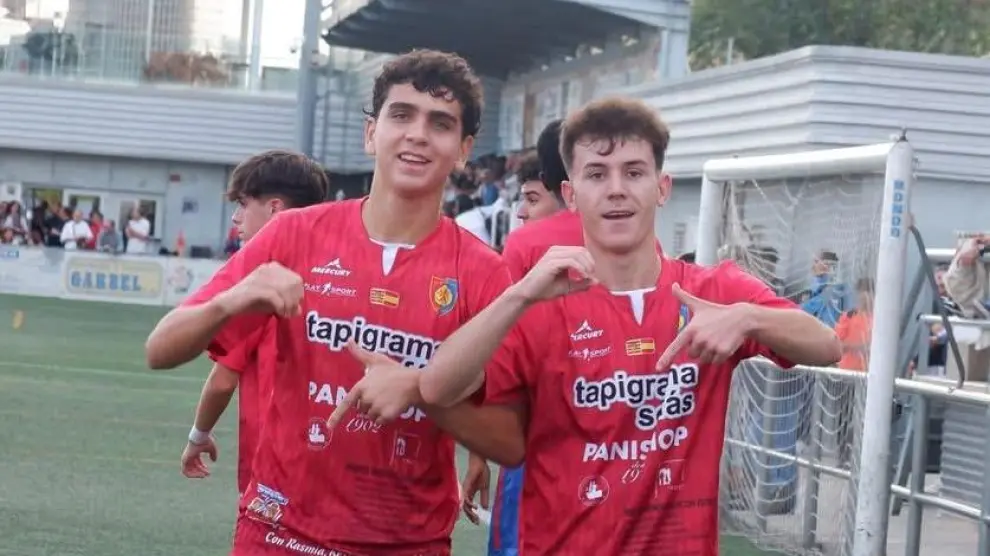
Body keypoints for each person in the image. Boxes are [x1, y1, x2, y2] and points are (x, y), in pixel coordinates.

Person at [334, 96, 842, 555]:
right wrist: (519, 294)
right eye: (597, 174)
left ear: (662, 187)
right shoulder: (540, 300)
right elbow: (465, 404)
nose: (617, 190)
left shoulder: (715, 291)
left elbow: (827, 345)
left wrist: (748, 317)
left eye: (634, 172)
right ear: (571, 194)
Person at [145, 49, 512, 555]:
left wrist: (421, 389)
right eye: (401, 115)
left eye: (441, 123)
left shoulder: (485, 273)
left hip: (406, 543)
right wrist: (227, 303)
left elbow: (510, 441)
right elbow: (158, 350)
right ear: (371, 133)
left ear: (464, 149)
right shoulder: (293, 234)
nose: (418, 134)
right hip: (278, 533)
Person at [178, 150, 329, 495]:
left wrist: (198, 436)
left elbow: (222, 381)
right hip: (337, 472)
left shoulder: (264, 283)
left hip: (275, 473)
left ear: (275, 208)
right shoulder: (348, 273)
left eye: (243, 204)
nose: (236, 218)